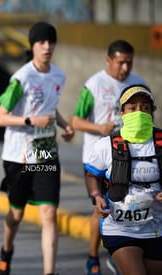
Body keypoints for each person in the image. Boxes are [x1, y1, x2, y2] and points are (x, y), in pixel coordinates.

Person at [0, 21, 74, 275]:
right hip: (19, 153)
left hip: (45, 149)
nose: (47, 46)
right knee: (16, 215)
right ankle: (6, 251)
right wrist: (30, 120)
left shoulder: (58, 75)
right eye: (41, 42)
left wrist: (65, 125)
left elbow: (50, 106)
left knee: (49, 214)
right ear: (33, 46)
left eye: (51, 42)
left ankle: (49, 272)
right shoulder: (21, 78)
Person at [71, 40, 146, 275]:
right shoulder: (93, 84)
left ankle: (123, 253)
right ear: (109, 60)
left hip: (131, 158)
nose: (125, 68)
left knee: (132, 206)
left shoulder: (138, 84)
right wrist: (99, 128)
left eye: (129, 62)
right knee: (101, 208)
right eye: (120, 62)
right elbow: (76, 121)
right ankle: (93, 258)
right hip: (100, 158)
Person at [85, 84, 162, 275]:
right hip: (119, 229)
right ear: (122, 112)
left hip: (155, 228)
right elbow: (92, 175)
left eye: (145, 108)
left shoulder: (160, 142)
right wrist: (96, 196)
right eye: (132, 108)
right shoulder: (106, 145)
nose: (139, 112)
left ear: (152, 113)